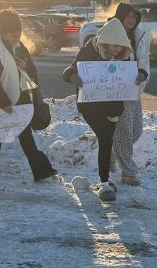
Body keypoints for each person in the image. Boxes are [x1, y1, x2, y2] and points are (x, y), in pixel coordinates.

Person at [63, 18, 139, 202]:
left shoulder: (121, 55)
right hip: (90, 105)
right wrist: (73, 77)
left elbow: (131, 73)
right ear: (106, 42)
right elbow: (68, 70)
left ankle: (104, 179)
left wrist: (141, 74)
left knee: (107, 140)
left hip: (113, 106)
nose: (118, 50)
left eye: (121, 47)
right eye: (115, 46)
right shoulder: (88, 51)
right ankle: (104, 183)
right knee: (105, 138)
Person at [0, 9, 56, 181]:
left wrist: (26, 66)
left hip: (21, 95)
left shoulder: (20, 46)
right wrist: (3, 101)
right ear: (1, 30)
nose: (15, 38)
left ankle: (41, 171)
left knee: (25, 134)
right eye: (11, 35)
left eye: (17, 34)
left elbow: (32, 71)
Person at [109, 3, 149, 186]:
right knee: (125, 132)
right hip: (117, 89)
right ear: (120, 16)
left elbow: (144, 59)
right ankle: (128, 172)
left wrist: (143, 73)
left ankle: (110, 152)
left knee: (137, 130)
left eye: (134, 16)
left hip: (134, 88)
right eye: (128, 16)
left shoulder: (139, 34)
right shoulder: (110, 32)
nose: (131, 19)